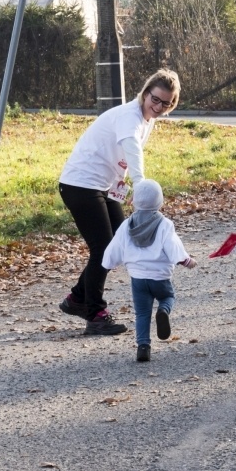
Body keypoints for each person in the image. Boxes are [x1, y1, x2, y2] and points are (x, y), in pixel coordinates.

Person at [58, 69, 181, 335]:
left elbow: (121, 159)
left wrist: (121, 189)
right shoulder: (129, 117)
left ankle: (78, 298)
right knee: (103, 247)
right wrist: (142, 188)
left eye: (166, 103)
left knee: (120, 241)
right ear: (146, 93)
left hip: (103, 185)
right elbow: (133, 152)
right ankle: (95, 315)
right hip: (80, 184)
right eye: (155, 99)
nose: (158, 107)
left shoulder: (147, 119)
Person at [102, 179, 197, 362]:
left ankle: (143, 347)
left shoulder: (126, 225)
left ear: (134, 201)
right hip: (160, 277)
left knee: (142, 314)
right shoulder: (164, 224)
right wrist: (186, 260)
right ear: (160, 202)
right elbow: (173, 246)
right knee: (168, 297)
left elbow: (115, 247)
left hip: (138, 279)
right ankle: (163, 311)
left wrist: (107, 264)